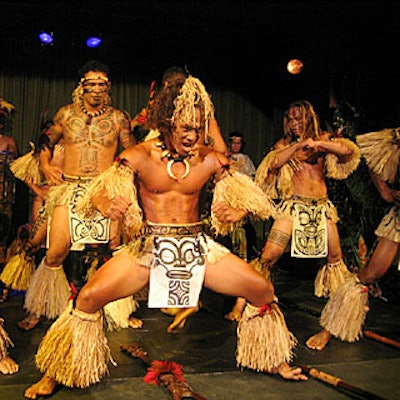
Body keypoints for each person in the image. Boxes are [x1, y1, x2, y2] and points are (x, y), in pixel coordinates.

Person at [24, 75, 307, 399]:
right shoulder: (140, 155)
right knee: (88, 298)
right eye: (185, 127)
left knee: (262, 289)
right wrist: (109, 204)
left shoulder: (211, 158)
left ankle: (272, 359)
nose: (192, 136)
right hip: (149, 247)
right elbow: (99, 195)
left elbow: (244, 197)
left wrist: (237, 211)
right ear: (167, 121)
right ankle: (56, 372)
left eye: (198, 128)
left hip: (197, 246)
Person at [15, 60, 135, 331]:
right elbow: (47, 141)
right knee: (55, 253)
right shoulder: (66, 114)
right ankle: (40, 309)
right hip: (70, 188)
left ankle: (117, 312)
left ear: (108, 87)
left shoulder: (118, 118)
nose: (96, 89)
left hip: (104, 190)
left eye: (101, 84)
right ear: (81, 87)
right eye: (90, 84)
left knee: (112, 251)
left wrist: (124, 179)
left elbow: (131, 152)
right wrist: (46, 165)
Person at [227, 100, 361, 322]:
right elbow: (273, 163)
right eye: (290, 118)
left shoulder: (324, 138)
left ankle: (342, 314)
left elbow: (348, 150)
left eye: (298, 118)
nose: (294, 123)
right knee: (268, 256)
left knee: (335, 259)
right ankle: (239, 305)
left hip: (321, 209)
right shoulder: (285, 144)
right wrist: (298, 146)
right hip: (293, 208)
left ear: (309, 118)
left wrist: (319, 145)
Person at [306, 126, 400, 350]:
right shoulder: (395, 138)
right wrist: (385, 189)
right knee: (369, 273)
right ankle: (330, 329)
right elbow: (369, 153)